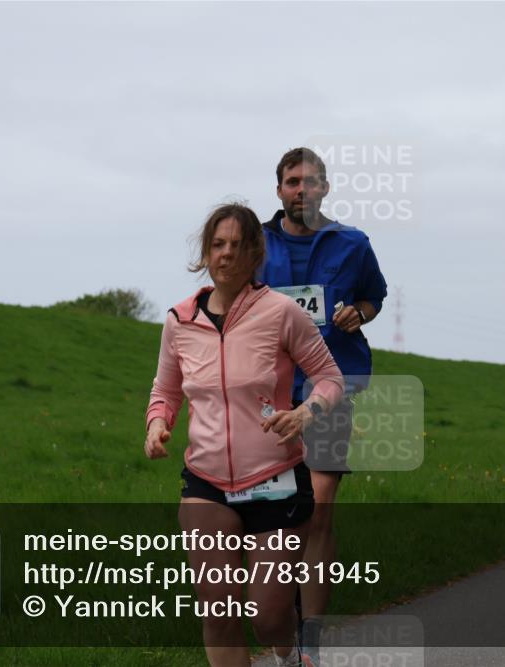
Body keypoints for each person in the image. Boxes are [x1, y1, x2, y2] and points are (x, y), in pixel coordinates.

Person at [145, 203, 345, 667]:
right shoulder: (179, 321)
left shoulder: (282, 313)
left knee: (268, 615)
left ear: (255, 253)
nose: (227, 254)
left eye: (238, 245)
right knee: (217, 610)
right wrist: (158, 423)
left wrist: (304, 412)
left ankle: (288, 653)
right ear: (206, 253)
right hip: (207, 481)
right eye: (218, 244)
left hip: (274, 477)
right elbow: (165, 389)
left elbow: (330, 378)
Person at [259, 147, 387, 663]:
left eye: (310, 182)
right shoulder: (256, 243)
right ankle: (280, 611)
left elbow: (373, 296)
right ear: (279, 190)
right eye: (292, 182)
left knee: (319, 506)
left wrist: (358, 312)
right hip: (266, 397)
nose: (301, 190)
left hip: (329, 388)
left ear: (325, 188)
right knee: (272, 517)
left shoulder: (353, 244)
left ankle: (310, 633)